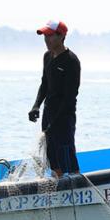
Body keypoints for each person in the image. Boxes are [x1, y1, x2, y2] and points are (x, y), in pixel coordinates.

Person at [28, 20, 81, 177]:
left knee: (66, 157)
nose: (46, 40)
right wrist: (36, 105)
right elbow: (45, 83)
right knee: (52, 157)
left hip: (64, 118)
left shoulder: (71, 61)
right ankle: (57, 186)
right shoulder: (47, 57)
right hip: (48, 114)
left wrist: (55, 122)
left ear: (62, 36)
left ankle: (74, 182)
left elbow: (70, 97)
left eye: (50, 36)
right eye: (45, 36)